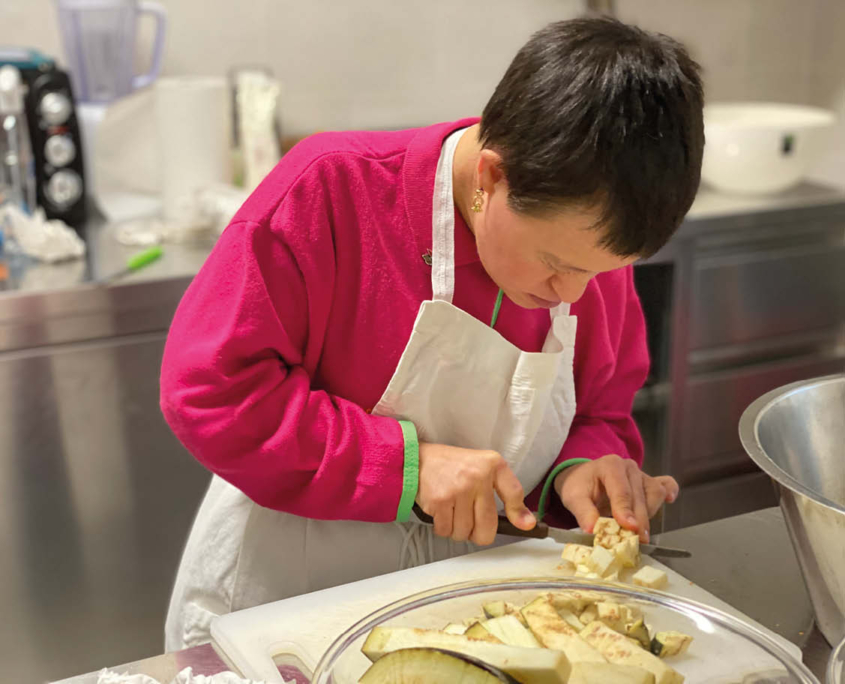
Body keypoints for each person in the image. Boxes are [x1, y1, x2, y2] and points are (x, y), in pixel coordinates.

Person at [160, 16, 704, 650]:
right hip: (287, 595)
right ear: (492, 179)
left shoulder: (587, 241)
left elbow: (600, 407)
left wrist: (583, 468)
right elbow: (214, 393)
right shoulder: (332, 189)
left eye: (602, 272)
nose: (576, 294)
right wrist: (405, 470)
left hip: (465, 609)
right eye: (555, 264)